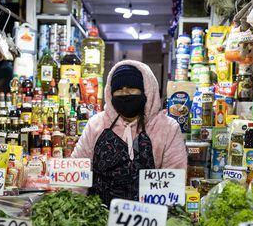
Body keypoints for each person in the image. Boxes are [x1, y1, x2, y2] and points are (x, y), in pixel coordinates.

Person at [72, 60, 187, 205]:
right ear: (110, 93)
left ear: (146, 90)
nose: (125, 94)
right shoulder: (95, 125)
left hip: (148, 221)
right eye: (119, 90)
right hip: (98, 220)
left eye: (132, 88)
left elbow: (174, 181)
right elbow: (77, 176)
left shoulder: (168, 128)